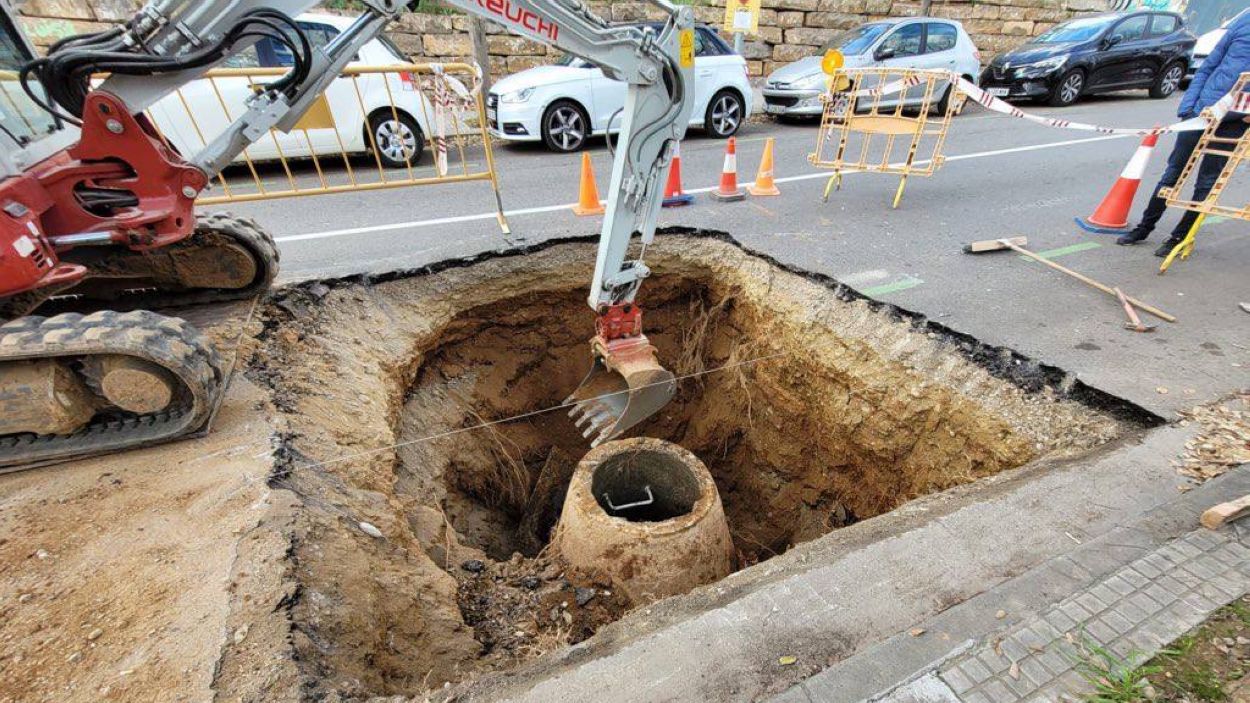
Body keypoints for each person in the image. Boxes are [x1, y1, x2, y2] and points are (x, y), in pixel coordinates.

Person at [1117, 10, 1250, 256]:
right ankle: (1144, 228)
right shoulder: (1244, 21)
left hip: (1234, 122)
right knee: (1172, 174)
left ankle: (1179, 237)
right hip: (1202, 112)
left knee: (1207, 182)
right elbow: (1209, 65)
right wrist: (1188, 107)